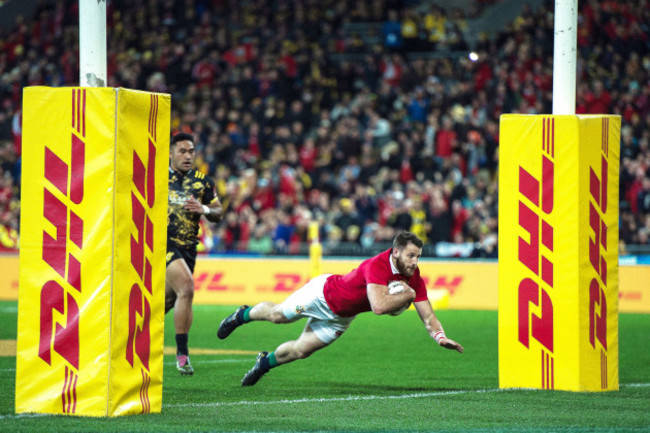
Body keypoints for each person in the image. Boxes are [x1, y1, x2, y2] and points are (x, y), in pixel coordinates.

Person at [217, 231, 463, 386]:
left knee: (301, 351)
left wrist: (440, 337)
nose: (415, 262)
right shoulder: (377, 265)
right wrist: (406, 295)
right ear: (396, 252)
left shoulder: (414, 277)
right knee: (279, 315)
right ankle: (243, 314)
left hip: (340, 318)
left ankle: (263, 363)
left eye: (418, 256)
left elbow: (428, 314)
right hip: (321, 295)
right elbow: (378, 307)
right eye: (411, 256)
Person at [166, 132, 223, 375]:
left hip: (189, 249)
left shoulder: (203, 182)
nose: (188, 156)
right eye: (182, 151)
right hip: (162, 244)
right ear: (170, 153)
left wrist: (204, 208)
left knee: (168, 301)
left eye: (191, 151)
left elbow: (219, 213)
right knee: (187, 288)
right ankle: (182, 354)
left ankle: (129, 335)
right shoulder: (157, 177)